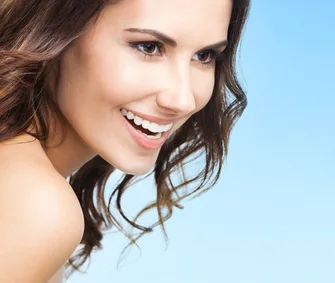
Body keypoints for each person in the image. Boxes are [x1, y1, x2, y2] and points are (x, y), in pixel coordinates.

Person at [0, 0, 250, 282]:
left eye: (204, 56)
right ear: (55, 29)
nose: (182, 100)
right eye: (148, 47)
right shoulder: (34, 205)